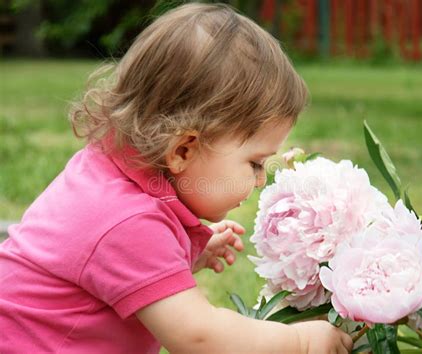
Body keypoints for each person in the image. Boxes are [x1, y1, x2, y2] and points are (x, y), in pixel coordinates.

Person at [0, 3, 353, 353]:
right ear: (183, 150)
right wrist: (301, 342)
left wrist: (176, 254)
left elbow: (111, 269)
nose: (260, 180)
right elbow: (198, 336)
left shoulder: (106, 172)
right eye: (255, 163)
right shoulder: (129, 222)